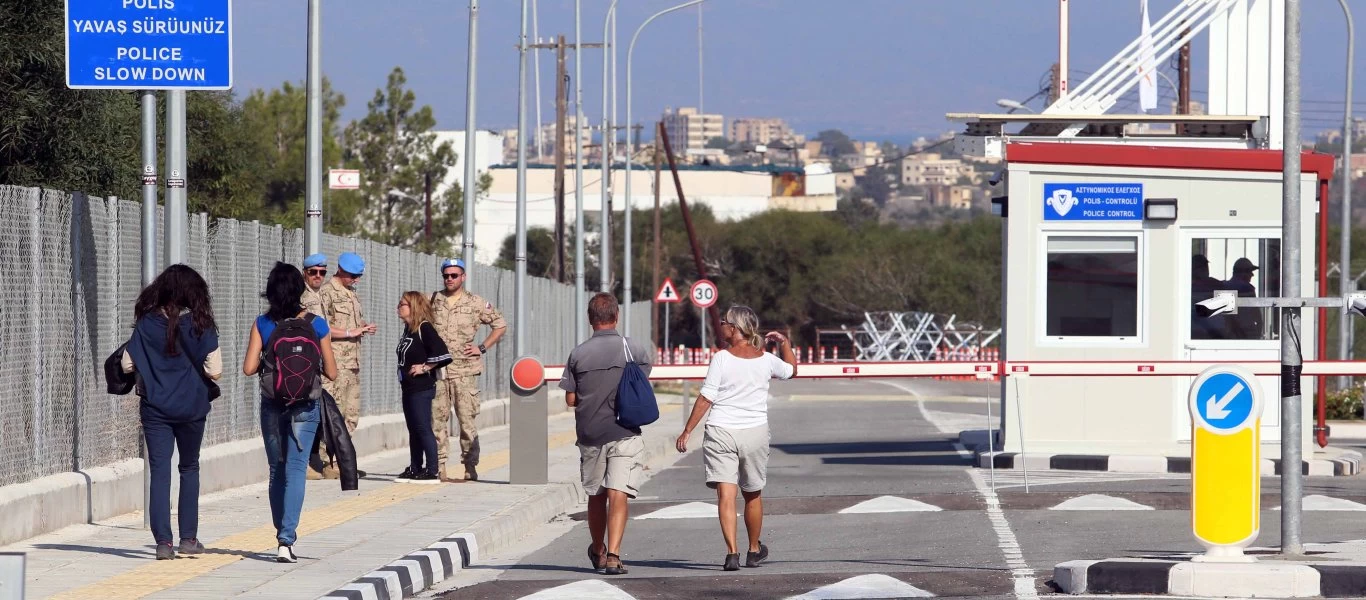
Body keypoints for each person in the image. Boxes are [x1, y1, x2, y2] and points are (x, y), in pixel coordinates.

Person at [676, 305, 796, 571]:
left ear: (734, 328)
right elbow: (791, 369)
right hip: (754, 432)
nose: (721, 326)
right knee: (752, 494)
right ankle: (754, 550)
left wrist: (688, 430)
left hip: (721, 431)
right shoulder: (766, 360)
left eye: (724, 322)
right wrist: (785, 343)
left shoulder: (721, 359)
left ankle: (732, 553)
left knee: (726, 496)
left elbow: (707, 397)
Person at [122, 264, 222, 560]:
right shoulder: (201, 324)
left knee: (160, 471)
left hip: (156, 408)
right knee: (189, 467)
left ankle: (163, 543)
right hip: (192, 407)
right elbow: (215, 371)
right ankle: (188, 538)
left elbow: (127, 364)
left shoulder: (147, 323)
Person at [243, 262, 339, 562]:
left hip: (273, 404)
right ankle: (287, 540)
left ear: (270, 291)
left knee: (277, 470)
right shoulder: (317, 324)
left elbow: (249, 368)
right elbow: (332, 373)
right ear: (300, 290)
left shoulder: (262, 323)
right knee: (297, 470)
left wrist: (269, 358)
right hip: (306, 406)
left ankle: (280, 531)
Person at [559, 293, 652, 575]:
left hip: (591, 434)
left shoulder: (578, 354)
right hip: (625, 430)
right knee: (618, 491)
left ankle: (598, 550)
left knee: (597, 495)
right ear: (616, 316)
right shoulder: (633, 348)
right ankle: (614, 555)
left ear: (590, 319)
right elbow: (642, 381)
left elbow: (571, 399)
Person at [430, 258, 507, 482]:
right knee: (437, 420)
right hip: (439, 372)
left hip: (465, 371)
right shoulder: (433, 300)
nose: (449, 279)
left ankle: (470, 465)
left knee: (467, 420)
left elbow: (500, 324)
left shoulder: (475, 302)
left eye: (454, 275)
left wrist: (481, 347)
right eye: (446, 275)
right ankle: (439, 465)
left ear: (463, 277)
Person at [317, 252, 375, 479]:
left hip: (352, 364)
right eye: (352, 275)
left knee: (351, 415)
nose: (356, 280)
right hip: (336, 364)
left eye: (359, 276)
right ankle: (328, 463)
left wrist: (362, 327)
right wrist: (351, 332)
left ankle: (344, 460)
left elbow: (348, 323)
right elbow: (321, 327)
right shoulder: (327, 293)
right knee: (334, 415)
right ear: (340, 270)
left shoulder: (351, 294)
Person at [394, 291, 453, 483]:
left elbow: (443, 353)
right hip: (408, 387)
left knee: (423, 427)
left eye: (402, 304)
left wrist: (425, 367)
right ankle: (415, 467)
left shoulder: (424, 328)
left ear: (413, 307)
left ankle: (432, 470)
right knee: (413, 428)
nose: (398, 307)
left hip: (422, 388)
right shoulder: (408, 329)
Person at [1225, 257, 1263, 339]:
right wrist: (1257, 337)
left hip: (1228, 338)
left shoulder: (1225, 287)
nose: (1252, 275)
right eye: (1250, 271)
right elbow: (1257, 317)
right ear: (1243, 273)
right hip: (1246, 336)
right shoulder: (1247, 289)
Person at [1190, 254, 1226, 340]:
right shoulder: (1188, 287)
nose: (1206, 269)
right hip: (1200, 333)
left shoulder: (1216, 284)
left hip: (1214, 332)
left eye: (1206, 266)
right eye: (1203, 267)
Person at [301, 253, 327, 318]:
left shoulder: (327, 292)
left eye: (322, 272)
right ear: (304, 272)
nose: (318, 276)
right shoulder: (299, 293)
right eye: (313, 272)